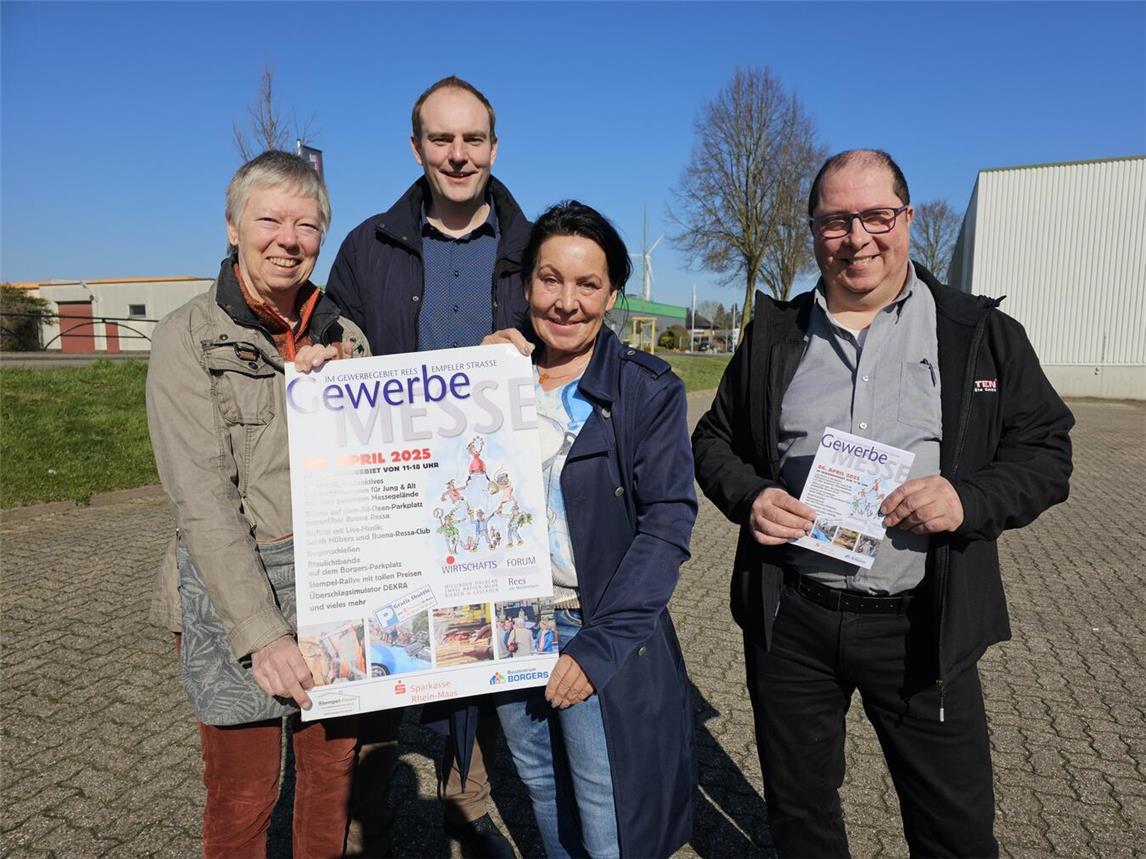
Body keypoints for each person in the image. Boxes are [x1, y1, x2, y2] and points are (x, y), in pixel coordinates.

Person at [691, 149, 1074, 857]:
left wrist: (968, 497)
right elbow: (714, 440)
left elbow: (1048, 452)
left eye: (876, 216)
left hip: (922, 627)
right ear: (813, 231)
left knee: (954, 830)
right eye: (836, 220)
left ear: (908, 218)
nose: (858, 237)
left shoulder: (978, 333)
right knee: (802, 818)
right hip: (795, 621)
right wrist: (752, 496)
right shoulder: (777, 333)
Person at [324, 74, 531, 857]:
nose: (457, 153)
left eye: (472, 138)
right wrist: (330, 356)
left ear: (493, 146)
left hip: (482, 502)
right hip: (386, 500)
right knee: (378, 676)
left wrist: (532, 353)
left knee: (473, 666)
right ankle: (363, 826)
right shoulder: (367, 243)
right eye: (441, 138)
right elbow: (331, 330)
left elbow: (564, 347)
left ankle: (465, 805)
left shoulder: (528, 248)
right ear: (416, 148)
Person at [146, 150, 370, 858]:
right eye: (269, 218)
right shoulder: (187, 337)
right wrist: (262, 633)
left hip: (334, 587)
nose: (289, 238)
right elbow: (202, 499)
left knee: (332, 779)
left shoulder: (347, 337)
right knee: (244, 795)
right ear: (233, 228)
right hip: (236, 588)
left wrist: (350, 388)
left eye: (307, 224)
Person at [484, 201, 698, 858]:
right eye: (550, 279)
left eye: (587, 284)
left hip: (588, 624)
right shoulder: (491, 377)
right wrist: (472, 382)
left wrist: (597, 647)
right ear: (527, 285)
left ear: (611, 294)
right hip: (507, 622)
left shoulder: (645, 390)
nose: (566, 301)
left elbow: (667, 525)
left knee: (606, 805)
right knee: (541, 783)